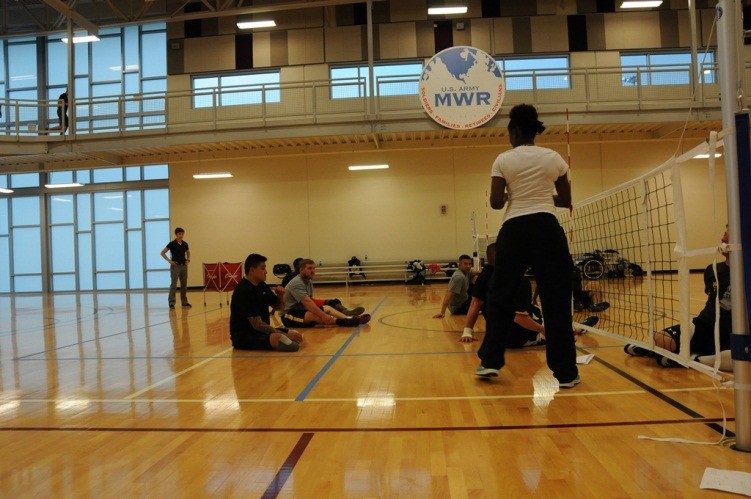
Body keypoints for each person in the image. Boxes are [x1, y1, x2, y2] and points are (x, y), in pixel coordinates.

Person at [475, 104, 580, 389]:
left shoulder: (503, 159)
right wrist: (541, 192)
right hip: (547, 228)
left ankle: (490, 362)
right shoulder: (554, 158)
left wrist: (513, 192)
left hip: (515, 229)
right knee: (556, 301)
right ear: (534, 130)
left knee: (500, 297)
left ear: (516, 131)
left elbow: (496, 203)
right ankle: (567, 373)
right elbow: (564, 199)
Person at [625, 229, 732, 370]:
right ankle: (657, 349)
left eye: (727, 233)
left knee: (744, 358)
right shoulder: (712, 270)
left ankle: (694, 360)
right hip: (705, 326)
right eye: (723, 232)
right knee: (661, 339)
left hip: (735, 334)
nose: (722, 237)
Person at [462, 243, 599, 344]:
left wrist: (467, 331)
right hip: (517, 339)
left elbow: (475, 303)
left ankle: (575, 328)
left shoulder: (484, 276)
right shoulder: (520, 281)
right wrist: (545, 331)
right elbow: (519, 318)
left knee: (537, 312)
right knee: (560, 331)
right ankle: (579, 329)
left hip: (497, 336)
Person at [230, 253, 303, 351]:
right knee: (290, 344)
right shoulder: (244, 290)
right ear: (252, 270)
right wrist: (283, 335)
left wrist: (280, 296)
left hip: (260, 332)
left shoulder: (261, 285)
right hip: (245, 336)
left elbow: (279, 307)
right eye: (263, 268)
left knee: (295, 334)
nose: (266, 271)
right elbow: (257, 325)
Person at [282, 259, 371, 328]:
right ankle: (347, 322)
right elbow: (307, 302)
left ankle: (348, 318)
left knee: (327, 308)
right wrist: (323, 315)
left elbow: (310, 301)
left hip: (300, 310)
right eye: (309, 268)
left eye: (314, 268)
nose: (312, 271)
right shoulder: (297, 282)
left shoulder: (307, 281)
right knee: (316, 315)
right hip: (289, 315)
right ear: (301, 269)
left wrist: (323, 310)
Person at [433, 254, 473, 318]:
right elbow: (448, 294)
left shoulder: (467, 272)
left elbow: (475, 273)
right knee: (481, 307)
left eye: (470, 264)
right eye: (465, 264)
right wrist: (442, 312)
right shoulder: (459, 277)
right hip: (458, 308)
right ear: (459, 265)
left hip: (465, 299)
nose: (468, 266)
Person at [160, 227, 191, 309]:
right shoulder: (172, 243)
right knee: (173, 284)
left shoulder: (185, 244)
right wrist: (169, 261)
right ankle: (171, 303)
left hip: (184, 266)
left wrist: (188, 260)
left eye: (182, 233)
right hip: (175, 266)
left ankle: (184, 302)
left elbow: (188, 253)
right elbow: (162, 253)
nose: (181, 235)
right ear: (176, 234)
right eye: (180, 234)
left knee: (184, 285)